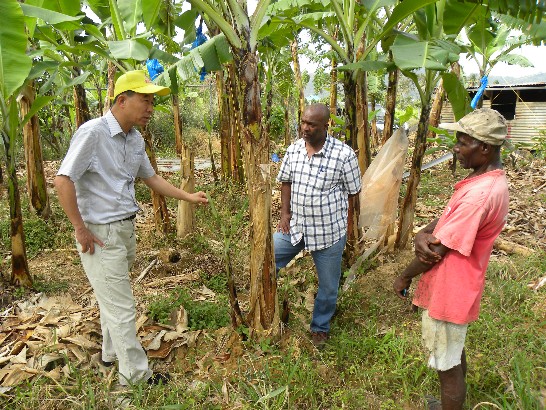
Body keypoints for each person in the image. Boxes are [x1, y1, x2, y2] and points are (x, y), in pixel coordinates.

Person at [54, 70, 208, 386]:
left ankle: (111, 354)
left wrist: (187, 196)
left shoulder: (134, 138)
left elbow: (150, 178)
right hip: (99, 233)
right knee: (123, 307)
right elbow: (62, 179)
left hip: (125, 229)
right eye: (146, 100)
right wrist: (80, 229)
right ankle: (135, 378)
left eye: (153, 101)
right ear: (122, 100)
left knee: (111, 297)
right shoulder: (93, 133)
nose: (151, 108)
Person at [393, 108, 510, 409]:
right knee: (453, 354)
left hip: (451, 288)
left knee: (448, 367)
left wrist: (405, 275)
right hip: (460, 285)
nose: (455, 149)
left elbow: (434, 252)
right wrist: (421, 232)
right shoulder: (483, 180)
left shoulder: (479, 195)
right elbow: (445, 221)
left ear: (484, 147)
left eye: (463, 142)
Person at [274, 103, 361, 347]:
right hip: (296, 227)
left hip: (329, 232)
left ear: (326, 126)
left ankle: (320, 327)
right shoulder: (294, 151)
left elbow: (354, 193)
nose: (305, 128)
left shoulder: (344, 155)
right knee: (266, 258)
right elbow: (286, 182)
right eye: (303, 122)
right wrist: (284, 214)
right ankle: (266, 309)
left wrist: (350, 227)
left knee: (329, 286)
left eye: (312, 124)